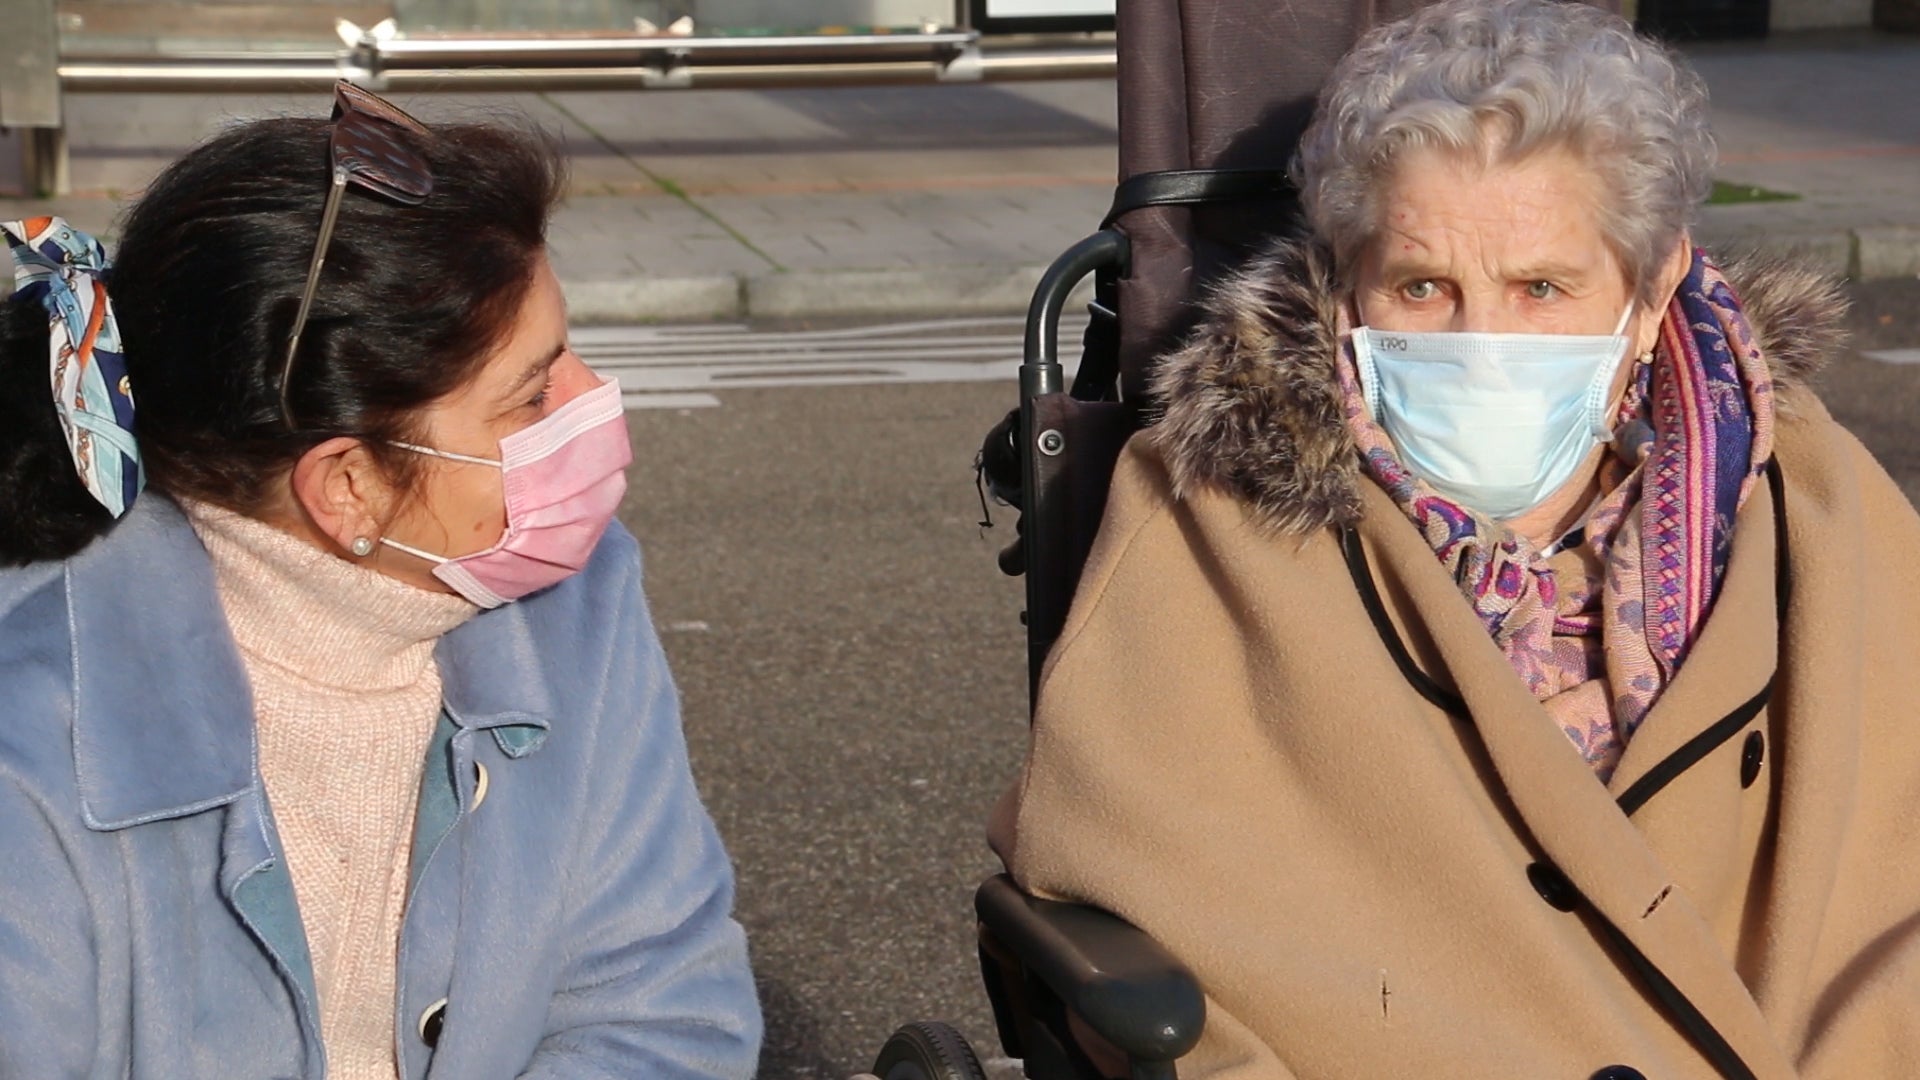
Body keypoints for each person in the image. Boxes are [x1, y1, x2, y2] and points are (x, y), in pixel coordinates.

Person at [990, 0, 1920, 1076]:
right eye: (1423, 287)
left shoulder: (1804, 488)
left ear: (1653, 285)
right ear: (1345, 286)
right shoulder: (1215, 514)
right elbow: (1121, 869)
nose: (1484, 346)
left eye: (1542, 289)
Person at [0, 84, 760, 1079]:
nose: (591, 402)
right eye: (531, 394)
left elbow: (666, 1009)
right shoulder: (35, 742)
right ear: (347, 487)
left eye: (566, 352)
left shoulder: (579, 603)